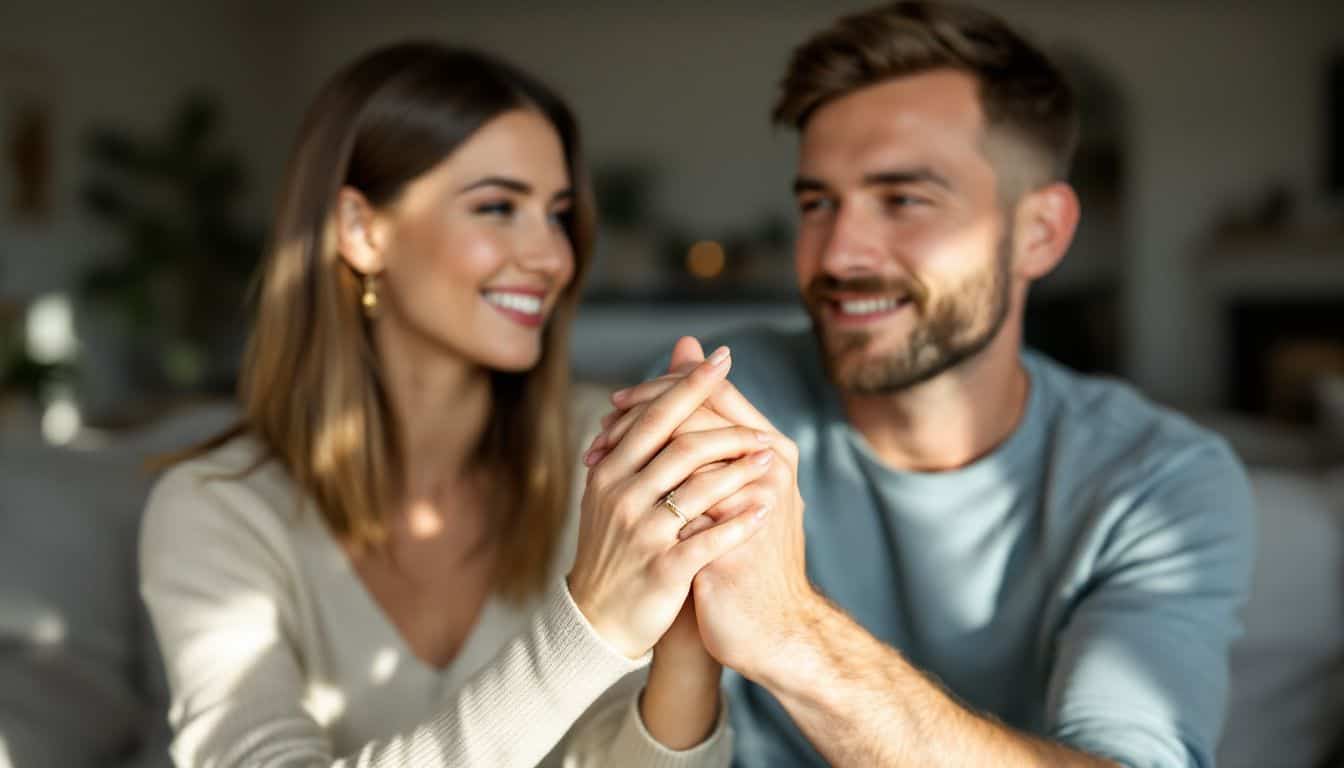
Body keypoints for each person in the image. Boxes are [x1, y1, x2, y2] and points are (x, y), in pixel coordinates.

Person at [588, 3, 1256, 766]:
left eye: (904, 199)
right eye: (817, 203)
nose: (839, 252)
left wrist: (796, 634)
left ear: (1039, 232)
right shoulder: (725, 400)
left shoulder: (1157, 482)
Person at [138, 41, 777, 767]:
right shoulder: (214, 509)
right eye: (498, 206)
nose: (552, 257)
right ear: (361, 230)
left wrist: (687, 649)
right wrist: (592, 622)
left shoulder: (607, 459)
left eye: (558, 214)